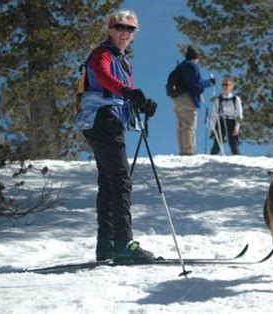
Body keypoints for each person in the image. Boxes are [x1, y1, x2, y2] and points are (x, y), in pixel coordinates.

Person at [76, 9, 158, 262]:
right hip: (103, 118)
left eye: (130, 30)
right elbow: (103, 77)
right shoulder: (102, 54)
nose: (124, 33)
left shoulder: (122, 61)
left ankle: (107, 244)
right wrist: (127, 91)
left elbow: (124, 93)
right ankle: (124, 244)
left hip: (102, 121)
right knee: (120, 181)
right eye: (120, 28)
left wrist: (142, 104)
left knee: (110, 182)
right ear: (110, 30)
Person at [172, 46, 215, 155]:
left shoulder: (181, 66)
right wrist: (209, 83)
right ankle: (188, 152)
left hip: (177, 99)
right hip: (188, 99)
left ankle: (183, 150)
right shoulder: (191, 66)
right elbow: (195, 84)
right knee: (189, 125)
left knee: (181, 125)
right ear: (196, 57)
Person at [210, 77, 243, 155]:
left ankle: (238, 161)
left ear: (231, 87)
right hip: (221, 121)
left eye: (226, 85)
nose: (224, 86)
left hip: (232, 121)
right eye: (223, 85)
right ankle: (211, 161)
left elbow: (239, 114)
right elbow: (214, 115)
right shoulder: (218, 99)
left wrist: (237, 128)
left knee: (234, 144)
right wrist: (213, 128)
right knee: (217, 143)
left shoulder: (236, 99)